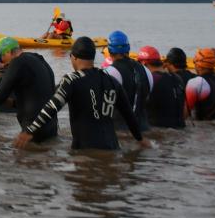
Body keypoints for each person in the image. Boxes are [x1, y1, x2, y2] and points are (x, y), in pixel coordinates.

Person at [12, 37, 150, 150]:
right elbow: (129, 115)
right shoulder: (112, 80)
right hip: (113, 147)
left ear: (73, 57)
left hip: (86, 149)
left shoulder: (72, 80)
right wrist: (140, 138)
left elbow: (52, 107)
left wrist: (30, 131)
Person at [0, 36, 58, 143]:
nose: (3, 64)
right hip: (51, 127)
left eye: (0, 59)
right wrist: (12, 103)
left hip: (32, 131)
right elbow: (38, 97)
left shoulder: (17, 62)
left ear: (8, 52)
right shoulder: (40, 59)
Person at [103, 31, 151, 133]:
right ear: (128, 48)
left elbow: (104, 105)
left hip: (121, 131)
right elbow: (146, 97)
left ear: (110, 50)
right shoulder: (146, 71)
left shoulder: (110, 72)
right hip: (144, 129)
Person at [138, 46, 186, 129]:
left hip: (159, 130)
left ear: (144, 64)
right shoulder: (178, 78)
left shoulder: (151, 80)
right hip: (181, 128)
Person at [185, 49, 215, 122]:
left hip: (206, 129)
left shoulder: (197, 82)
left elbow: (185, 113)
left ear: (198, 65)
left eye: (194, 62)